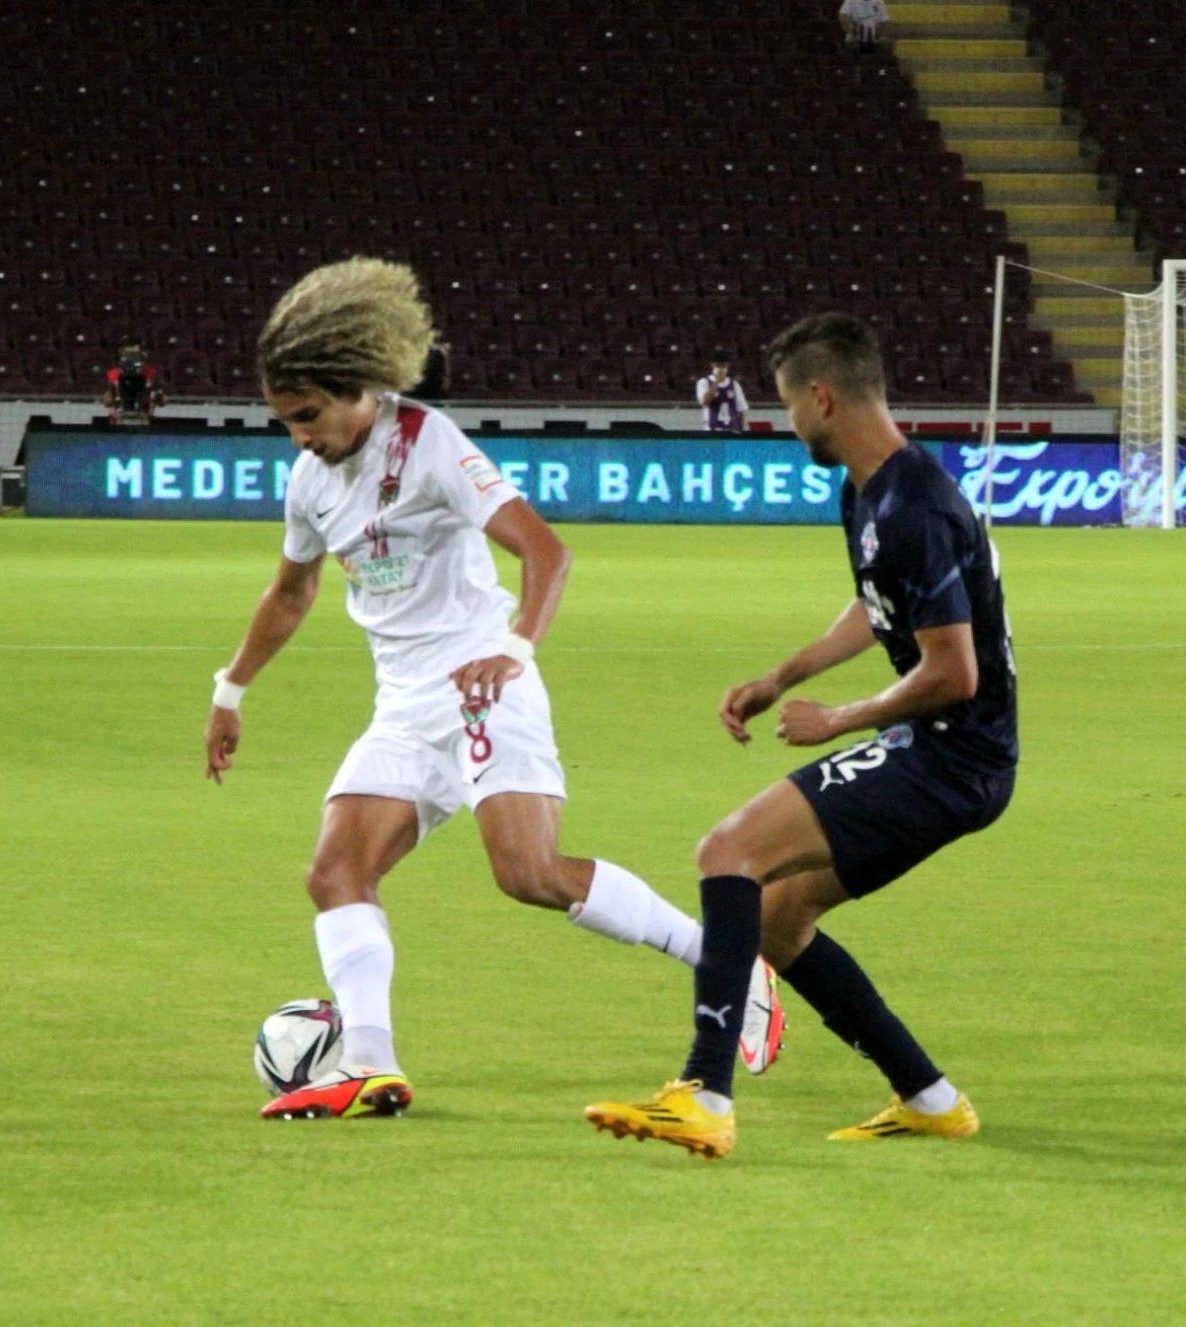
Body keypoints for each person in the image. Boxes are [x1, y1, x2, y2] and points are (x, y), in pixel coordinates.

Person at [204, 257, 782, 1120]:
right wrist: (231, 690)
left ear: (361, 388)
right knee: (334, 872)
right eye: (284, 420)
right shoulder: (310, 480)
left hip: (483, 685)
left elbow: (546, 552)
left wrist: (514, 648)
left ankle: (726, 962)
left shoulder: (428, 442)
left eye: (308, 415)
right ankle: (370, 1062)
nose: (297, 436)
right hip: (403, 704)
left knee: (532, 874)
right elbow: (292, 592)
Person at [586, 312, 1017, 1159]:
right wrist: (784, 677)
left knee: (729, 851)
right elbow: (877, 605)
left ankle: (704, 1092)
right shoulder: (871, 489)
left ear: (821, 398)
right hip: (942, 750)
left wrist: (838, 719)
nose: (787, 425)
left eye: (788, 407)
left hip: (952, 756)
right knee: (778, 920)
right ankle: (930, 1097)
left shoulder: (914, 505)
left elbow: (954, 672)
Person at [102, 338, 164, 424]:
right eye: (128, 353)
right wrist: (111, 405)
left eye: (135, 354)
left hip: (144, 419)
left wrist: (157, 399)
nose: (131, 356)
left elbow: (160, 399)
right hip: (119, 419)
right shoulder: (112, 374)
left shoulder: (152, 372)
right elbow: (107, 400)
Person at [695, 353, 748, 434]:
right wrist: (717, 382)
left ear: (728, 366)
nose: (721, 368)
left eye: (724, 366)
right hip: (711, 429)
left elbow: (741, 409)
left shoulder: (734, 384)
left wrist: (741, 431)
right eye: (718, 365)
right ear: (712, 365)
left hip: (731, 430)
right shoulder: (703, 382)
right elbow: (705, 401)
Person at [407, 332, 451, 403]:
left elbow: (443, 371)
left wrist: (445, 378)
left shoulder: (438, 354)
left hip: (433, 386)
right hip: (419, 386)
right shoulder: (414, 353)